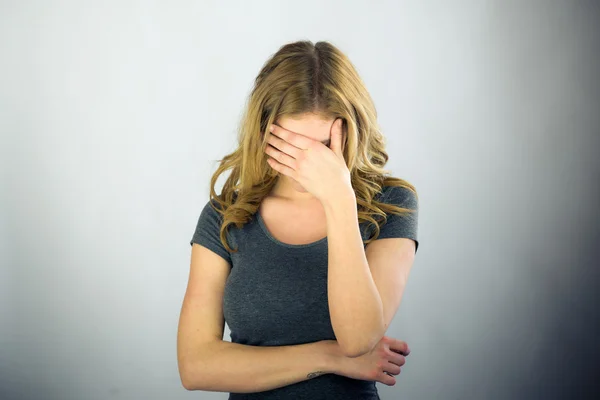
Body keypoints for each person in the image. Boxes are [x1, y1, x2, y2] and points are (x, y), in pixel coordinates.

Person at [177, 40, 419, 400]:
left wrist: (338, 199)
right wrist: (329, 357)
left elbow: (357, 338)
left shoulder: (391, 205)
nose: (307, 166)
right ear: (264, 132)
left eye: (322, 148)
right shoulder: (226, 217)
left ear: (351, 133)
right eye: (291, 146)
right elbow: (196, 366)